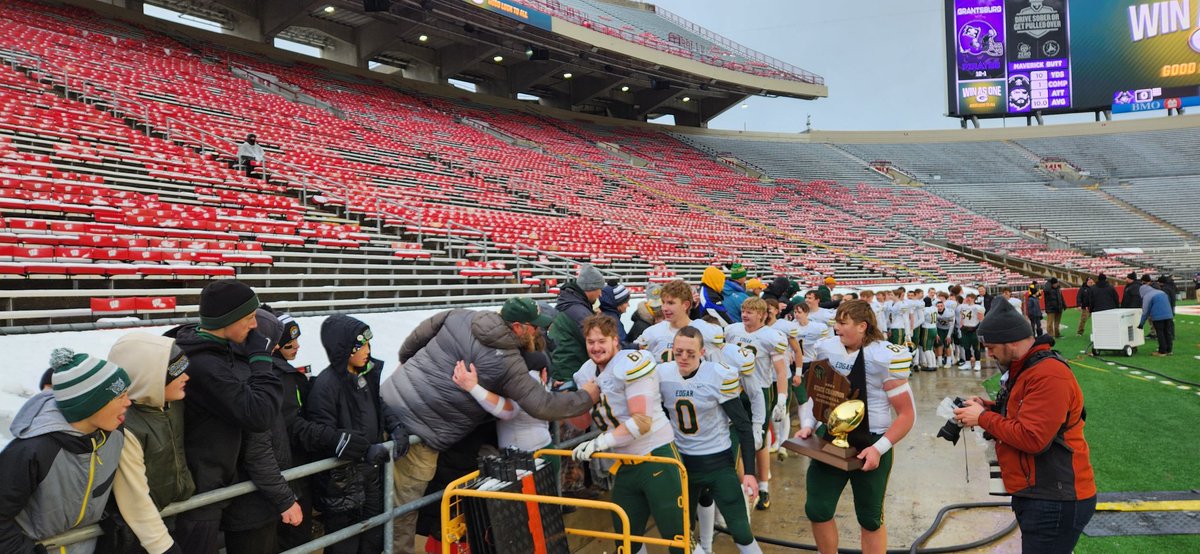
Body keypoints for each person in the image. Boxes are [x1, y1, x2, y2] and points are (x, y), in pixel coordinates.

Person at [382, 298, 598, 553]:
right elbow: (541, 405)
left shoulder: (461, 314)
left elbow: (415, 339)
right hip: (421, 432)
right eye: (533, 326)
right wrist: (588, 396)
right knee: (404, 508)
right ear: (517, 327)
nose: (536, 331)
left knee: (379, 500)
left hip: (386, 405)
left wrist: (406, 364)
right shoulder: (508, 360)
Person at [954, 300, 1095, 554]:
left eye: (992, 347)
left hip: (1055, 497)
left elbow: (1033, 438)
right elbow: (1021, 413)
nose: (990, 354)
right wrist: (986, 408)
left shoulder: (1048, 373)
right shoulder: (1028, 366)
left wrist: (983, 418)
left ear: (1012, 342)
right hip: (1041, 492)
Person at [168, 280, 281, 554]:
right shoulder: (207, 365)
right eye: (250, 318)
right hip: (200, 491)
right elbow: (259, 414)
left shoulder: (212, 350)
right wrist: (261, 359)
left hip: (211, 485)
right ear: (227, 320)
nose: (255, 326)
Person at [797, 300, 914, 554]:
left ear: (862, 326)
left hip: (870, 443)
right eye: (836, 321)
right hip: (830, 437)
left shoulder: (884, 357)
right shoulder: (827, 349)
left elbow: (906, 415)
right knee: (817, 509)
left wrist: (879, 449)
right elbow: (816, 394)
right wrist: (808, 424)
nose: (836, 327)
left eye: (842, 322)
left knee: (870, 518)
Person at [568, 315, 685, 554]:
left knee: (678, 539)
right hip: (624, 464)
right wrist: (573, 402)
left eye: (602, 341)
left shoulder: (631, 362)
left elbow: (641, 421)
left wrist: (600, 442)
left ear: (615, 340)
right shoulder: (586, 372)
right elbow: (582, 422)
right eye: (591, 342)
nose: (596, 347)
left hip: (656, 457)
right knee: (626, 541)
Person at [0, 349, 130, 553]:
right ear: (89, 404)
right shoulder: (32, 451)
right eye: (120, 396)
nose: (129, 402)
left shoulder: (114, 434)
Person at [658, 327, 762, 554]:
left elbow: (743, 426)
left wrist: (750, 473)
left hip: (718, 463)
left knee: (742, 532)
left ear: (703, 352)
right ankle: (705, 548)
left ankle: (707, 546)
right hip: (682, 464)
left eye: (690, 353)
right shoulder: (663, 374)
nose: (683, 358)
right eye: (678, 352)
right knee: (680, 536)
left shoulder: (717, 374)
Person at [309, 315, 399, 554]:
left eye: (369, 344)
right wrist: (363, 450)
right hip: (342, 485)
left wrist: (397, 427)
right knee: (344, 546)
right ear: (343, 349)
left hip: (370, 477)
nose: (368, 351)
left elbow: (378, 406)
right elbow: (324, 436)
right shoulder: (326, 385)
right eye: (361, 346)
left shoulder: (365, 376)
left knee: (373, 540)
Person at [223, 309, 303, 554]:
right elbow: (257, 451)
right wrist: (285, 498)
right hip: (251, 504)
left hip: (259, 500)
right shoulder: (246, 379)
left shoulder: (248, 372)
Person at [107, 334, 194, 554]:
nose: (187, 377)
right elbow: (134, 499)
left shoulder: (170, 405)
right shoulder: (126, 427)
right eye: (176, 371)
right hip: (143, 536)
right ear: (150, 378)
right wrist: (163, 546)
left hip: (172, 515)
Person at [724, 297, 789, 510]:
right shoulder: (732, 331)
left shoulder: (771, 337)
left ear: (762, 314)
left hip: (759, 390)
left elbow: (780, 371)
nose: (745, 314)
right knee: (735, 438)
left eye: (750, 311)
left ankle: (763, 488)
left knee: (758, 440)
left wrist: (781, 399)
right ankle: (745, 485)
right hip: (734, 389)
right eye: (743, 310)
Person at [548, 263, 605, 382]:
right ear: (591, 288)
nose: (600, 294)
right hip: (570, 371)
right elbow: (598, 341)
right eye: (599, 289)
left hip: (564, 367)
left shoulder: (572, 304)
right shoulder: (579, 312)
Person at [1138, 280, 1174, 356]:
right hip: (1168, 315)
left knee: (1160, 333)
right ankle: (1169, 350)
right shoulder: (1161, 292)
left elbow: (1145, 311)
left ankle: (1162, 351)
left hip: (1158, 317)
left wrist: (1141, 323)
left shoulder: (1147, 296)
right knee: (1167, 332)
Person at [957, 294, 986, 371]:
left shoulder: (977, 307)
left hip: (974, 328)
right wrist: (961, 326)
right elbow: (960, 317)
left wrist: (979, 328)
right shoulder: (962, 307)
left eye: (970, 298)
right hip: (965, 329)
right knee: (966, 347)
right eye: (967, 297)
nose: (968, 299)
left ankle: (977, 363)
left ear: (974, 299)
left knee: (976, 347)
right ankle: (967, 363)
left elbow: (982, 319)